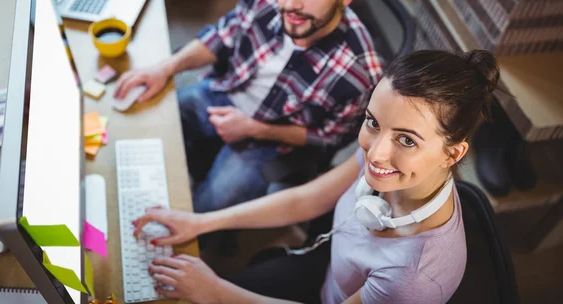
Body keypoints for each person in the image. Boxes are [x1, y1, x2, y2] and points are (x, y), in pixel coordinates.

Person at [132, 49, 501, 304]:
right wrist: (201, 222)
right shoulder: (384, 157)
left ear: (453, 153)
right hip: (326, 267)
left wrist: (215, 292)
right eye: (373, 122)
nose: (375, 152)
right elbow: (308, 199)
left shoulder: (413, 278)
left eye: (407, 139)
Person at [114, 0, 383, 213]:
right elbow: (224, 34)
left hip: (271, 137)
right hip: (227, 90)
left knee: (210, 206)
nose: (291, 3)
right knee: (151, 124)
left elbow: (327, 137)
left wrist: (254, 129)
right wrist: (164, 68)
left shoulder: (361, 73)